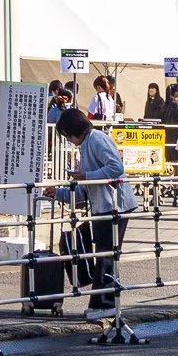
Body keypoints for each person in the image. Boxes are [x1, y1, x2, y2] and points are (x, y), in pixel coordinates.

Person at [54, 106, 135, 317]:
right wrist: (59, 193)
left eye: (66, 134)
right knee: (104, 254)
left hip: (115, 204)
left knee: (106, 254)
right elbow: (85, 187)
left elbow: (116, 167)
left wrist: (87, 176)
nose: (68, 139)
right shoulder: (87, 143)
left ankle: (105, 305)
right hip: (105, 205)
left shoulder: (96, 138)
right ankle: (99, 303)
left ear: (73, 130)